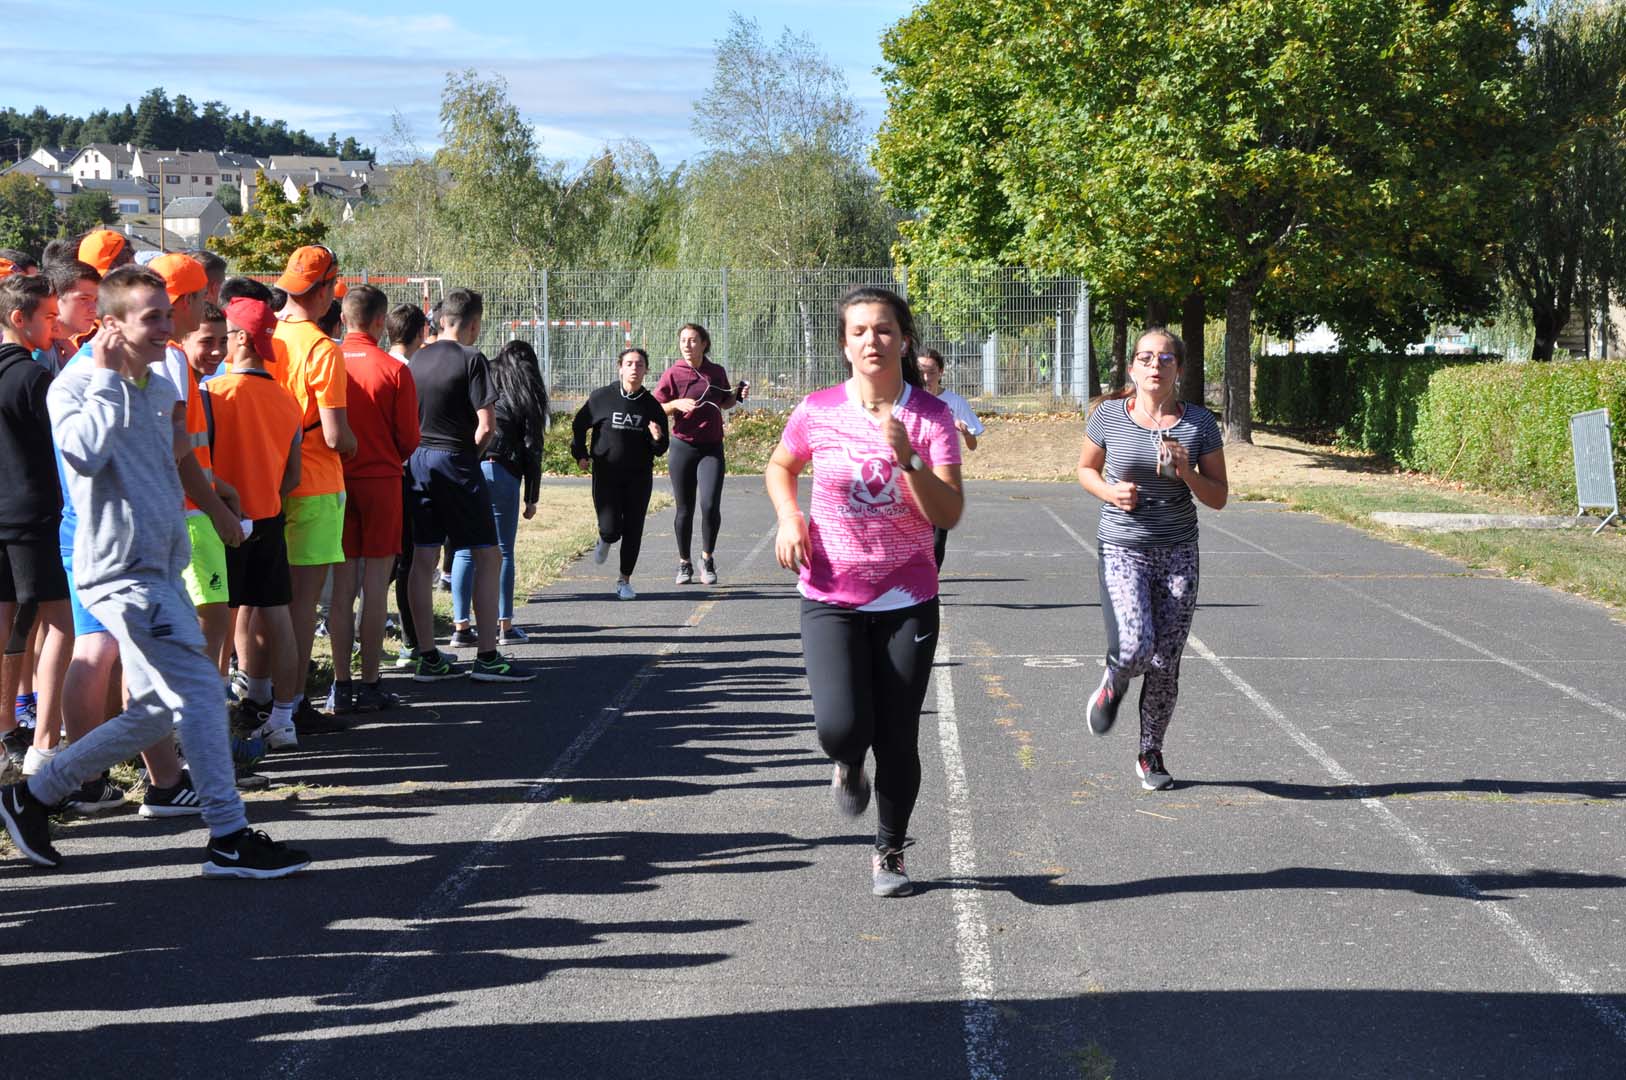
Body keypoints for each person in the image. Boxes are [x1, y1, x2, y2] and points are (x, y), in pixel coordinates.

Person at [0, 265, 310, 876]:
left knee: (155, 709)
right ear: (110, 325)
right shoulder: (75, 385)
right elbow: (86, 456)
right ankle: (228, 834)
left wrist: (216, 494)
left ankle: (33, 794)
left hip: (162, 563)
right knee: (197, 687)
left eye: (168, 314)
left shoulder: (162, 373)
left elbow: (170, 455)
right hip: (120, 572)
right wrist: (112, 379)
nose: (167, 327)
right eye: (152, 317)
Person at [764, 286, 964, 898]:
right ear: (845, 343)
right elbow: (780, 466)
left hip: (907, 597)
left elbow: (950, 513)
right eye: (859, 331)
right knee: (841, 728)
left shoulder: (930, 419)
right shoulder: (817, 409)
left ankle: (890, 852)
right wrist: (790, 517)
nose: (871, 341)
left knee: (898, 734)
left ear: (904, 340)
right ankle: (847, 763)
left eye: (883, 330)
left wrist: (910, 462)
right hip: (830, 592)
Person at [1076, 327, 1227, 791]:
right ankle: (1114, 680)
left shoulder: (1199, 424)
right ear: (1132, 368)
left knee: (1166, 661)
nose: (1155, 366)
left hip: (1178, 550)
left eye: (1165, 359)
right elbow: (1086, 469)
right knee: (1137, 644)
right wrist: (1109, 491)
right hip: (1123, 545)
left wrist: (1186, 472)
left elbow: (1218, 496)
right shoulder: (1109, 417)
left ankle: (1150, 752)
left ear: (1178, 368)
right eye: (1146, 358)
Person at [405, 288, 533, 683]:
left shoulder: (415, 358)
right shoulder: (472, 358)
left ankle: (427, 655)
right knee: (488, 555)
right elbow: (487, 426)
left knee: (422, 559)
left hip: (417, 460)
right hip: (455, 459)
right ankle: (487, 656)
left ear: (442, 319)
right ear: (473, 324)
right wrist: (468, 460)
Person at [205, 298, 306, 752]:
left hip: (218, 520)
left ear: (241, 338)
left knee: (215, 626)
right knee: (277, 614)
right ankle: (284, 716)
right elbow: (293, 477)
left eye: (225, 334)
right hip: (267, 515)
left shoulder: (214, 394)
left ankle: (214, 725)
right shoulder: (286, 400)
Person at [269, 246, 357, 730]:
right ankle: (292, 702)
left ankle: (263, 694)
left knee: (264, 601)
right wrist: (356, 445)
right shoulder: (323, 350)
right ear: (323, 290)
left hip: (266, 480)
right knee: (302, 605)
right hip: (316, 482)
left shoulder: (268, 336)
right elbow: (334, 434)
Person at [330, 285, 420, 712]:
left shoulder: (327, 361)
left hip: (335, 480)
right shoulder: (394, 369)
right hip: (382, 480)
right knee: (374, 587)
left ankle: (340, 683)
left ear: (345, 318)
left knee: (342, 587)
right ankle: (369, 682)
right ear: (381, 322)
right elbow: (409, 438)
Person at [0, 274, 68, 780]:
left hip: (6, 515)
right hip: (34, 517)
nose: (57, 323)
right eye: (48, 315)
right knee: (62, 623)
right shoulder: (34, 380)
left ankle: (7, 732)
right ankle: (46, 736)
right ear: (18, 319)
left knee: (9, 627)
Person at [451, 340, 547, 640]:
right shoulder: (526, 392)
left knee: (465, 548)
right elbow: (532, 447)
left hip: (470, 464)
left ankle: (461, 626)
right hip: (504, 469)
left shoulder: (483, 379)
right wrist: (532, 496)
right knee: (502, 550)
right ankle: (504, 624)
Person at [572, 347, 669, 600]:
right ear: (620, 367)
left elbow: (661, 448)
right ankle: (605, 538)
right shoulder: (602, 397)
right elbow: (579, 425)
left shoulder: (652, 406)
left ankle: (624, 580)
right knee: (612, 528)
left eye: (639, 364)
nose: (634, 368)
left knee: (634, 527)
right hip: (607, 475)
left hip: (639, 477)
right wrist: (580, 454)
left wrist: (658, 438)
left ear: (646, 370)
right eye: (629, 364)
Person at [654, 323, 747, 585]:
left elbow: (724, 401)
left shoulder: (715, 371)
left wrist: (738, 396)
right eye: (683, 340)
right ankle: (684, 563)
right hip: (683, 446)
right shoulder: (673, 373)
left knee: (709, 505)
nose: (686, 345)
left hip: (712, 448)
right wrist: (674, 404)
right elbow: (655, 408)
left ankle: (707, 559)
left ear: (704, 343)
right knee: (684, 509)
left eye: (692, 340)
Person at [385, 303, 429, 666]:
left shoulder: (374, 363)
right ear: (420, 333)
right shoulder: (408, 373)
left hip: (370, 473)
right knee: (408, 561)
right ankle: (411, 642)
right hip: (403, 473)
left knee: (377, 563)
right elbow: (411, 432)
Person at [916, 348, 986, 569]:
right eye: (921, 372)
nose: (926, 378)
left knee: (937, 537)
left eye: (931, 372)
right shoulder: (907, 399)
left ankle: (931, 579)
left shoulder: (954, 403)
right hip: (913, 475)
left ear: (941, 372)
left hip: (942, 477)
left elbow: (973, 445)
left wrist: (965, 432)